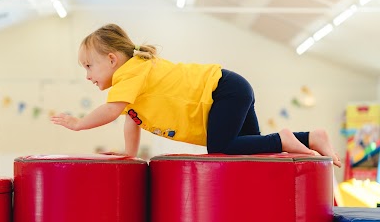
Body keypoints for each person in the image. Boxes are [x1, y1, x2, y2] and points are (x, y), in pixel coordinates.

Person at [50, 23, 341, 168]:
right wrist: (130, 154)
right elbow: (131, 120)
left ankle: (285, 138)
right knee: (255, 155)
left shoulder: (129, 74)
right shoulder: (132, 86)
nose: (88, 75)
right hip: (230, 88)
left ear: (112, 59)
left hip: (221, 91)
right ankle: (310, 137)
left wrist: (79, 123)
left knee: (222, 148)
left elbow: (112, 111)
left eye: (89, 66)